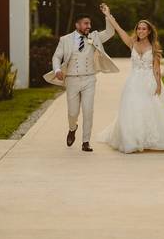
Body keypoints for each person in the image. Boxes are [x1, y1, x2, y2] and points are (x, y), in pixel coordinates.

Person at [96, 3, 164, 153]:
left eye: (143, 28)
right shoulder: (132, 43)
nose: (140, 31)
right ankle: (132, 140)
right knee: (132, 110)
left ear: (149, 31)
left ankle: (149, 139)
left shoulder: (154, 47)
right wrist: (108, 14)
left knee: (149, 111)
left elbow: (156, 68)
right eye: (139, 28)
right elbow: (119, 30)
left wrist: (158, 85)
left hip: (148, 81)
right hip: (133, 82)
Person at [43, 9, 119, 152]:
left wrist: (107, 15)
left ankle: (86, 141)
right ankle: (73, 128)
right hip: (71, 80)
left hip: (90, 79)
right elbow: (56, 57)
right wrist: (57, 70)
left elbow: (110, 32)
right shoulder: (65, 40)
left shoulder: (94, 36)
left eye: (89, 23)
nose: (88, 26)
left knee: (88, 110)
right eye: (85, 23)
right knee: (73, 112)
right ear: (77, 25)